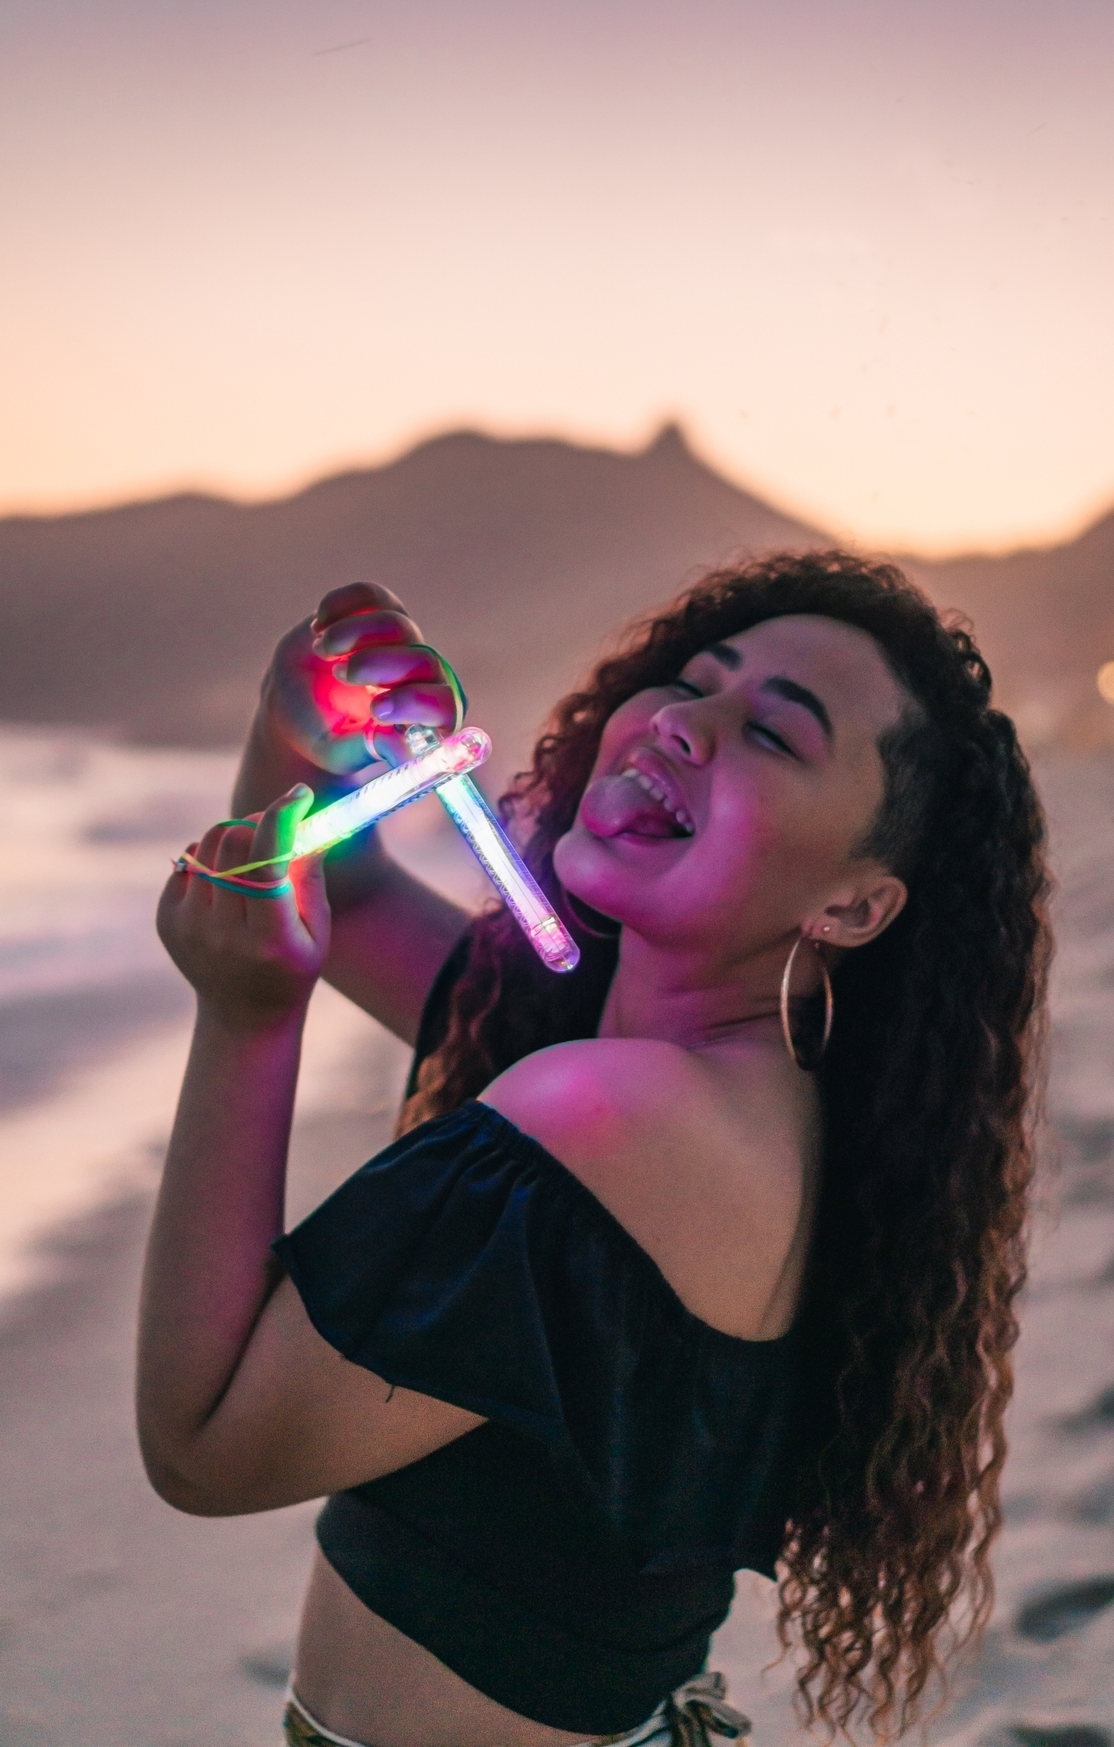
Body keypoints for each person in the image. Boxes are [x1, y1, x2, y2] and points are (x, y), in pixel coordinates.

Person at [137, 551, 1050, 1747]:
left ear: (855, 906)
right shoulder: (718, 1088)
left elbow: (207, 1445)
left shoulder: (621, 1122)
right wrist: (295, 718)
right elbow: (340, 895)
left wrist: (245, 1018)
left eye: (775, 735)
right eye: (693, 682)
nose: (684, 725)